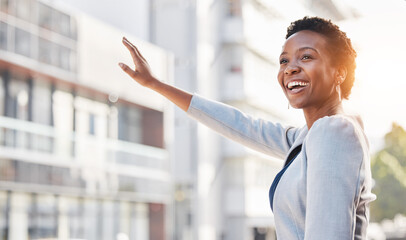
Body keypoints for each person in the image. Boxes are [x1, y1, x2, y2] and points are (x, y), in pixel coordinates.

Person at [118, 16, 376, 240]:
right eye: (284, 61)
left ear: (339, 72)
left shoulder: (334, 133)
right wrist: (156, 84)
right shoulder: (308, 136)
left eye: (306, 56)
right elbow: (241, 125)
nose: (290, 68)